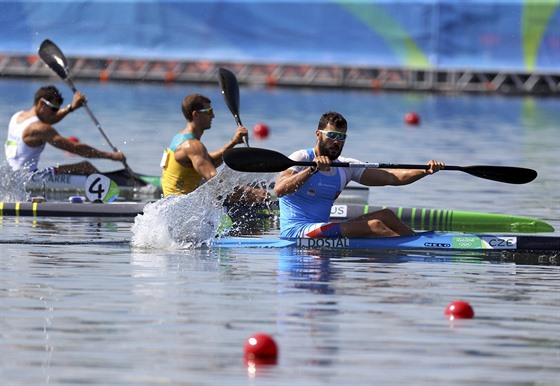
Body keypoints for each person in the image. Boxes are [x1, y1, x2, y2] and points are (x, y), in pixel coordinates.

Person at [274, 111, 445, 238]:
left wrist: (425, 171)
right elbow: (279, 190)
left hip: (321, 228)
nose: (336, 142)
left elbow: (391, 177)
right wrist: (312, 170)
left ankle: (420, 242)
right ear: (318, 134)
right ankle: (413, 249)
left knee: (386, 216)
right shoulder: (301, 158)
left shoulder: (346, 166)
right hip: (296, 232)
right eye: (331, 135)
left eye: (341, 137)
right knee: (375, 226)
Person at [161, 93, 266, 203]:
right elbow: (215, 181)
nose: (213, 116)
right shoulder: (193, 146)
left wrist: (233, 142)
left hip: (172, 204)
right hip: (181, 208)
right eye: (209, 112)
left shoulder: (180, 138)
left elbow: (208, 162)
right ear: (195, 114)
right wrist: (252, 193)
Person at [4, 85, 125, 175]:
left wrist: (71, 108)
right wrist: (112, 156)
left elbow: (49, 119)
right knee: (85, 166)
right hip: (30, 179)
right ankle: (113, 186)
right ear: (42, 103)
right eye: (53, 109)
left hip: (14, 177)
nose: (55, 113)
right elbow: (75, 148)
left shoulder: (18, 116)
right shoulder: (40, 128)